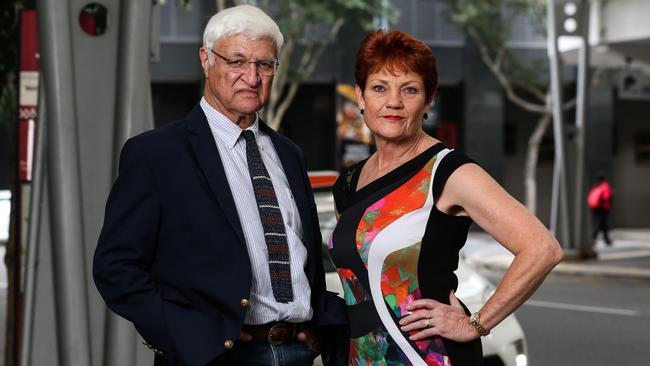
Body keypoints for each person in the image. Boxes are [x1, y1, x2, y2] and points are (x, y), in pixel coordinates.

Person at [93, 5, 346, 366]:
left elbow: (303, 256)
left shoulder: (289, 154)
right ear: (205, 60)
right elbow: (115, 267)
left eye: (264, 64)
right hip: (215, 358)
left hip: (297, 352)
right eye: (237, 61)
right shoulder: (156, 154)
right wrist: (183, 335)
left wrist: (317, 323)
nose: (252, 77)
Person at [327, 30, 564, 365]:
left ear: (428, 99)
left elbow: (543, 249)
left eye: (409, 89)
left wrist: (476, 323)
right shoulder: (348, 183)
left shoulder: (448, 171)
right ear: (360, 96)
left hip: (430, 356)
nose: (393, 102)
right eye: (380, 88)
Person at [588, 173, 613, 245]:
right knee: (600, 224)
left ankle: (607, 240)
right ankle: (592, 238)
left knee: (602, 224)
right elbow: (606, 197)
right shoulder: (605, 185)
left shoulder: (596, 185)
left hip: (595, 207)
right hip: (603, 207)